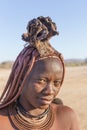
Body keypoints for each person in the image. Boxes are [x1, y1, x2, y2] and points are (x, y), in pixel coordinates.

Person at [0, 16, 80, 130]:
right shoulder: (2, 121)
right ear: (22, 77)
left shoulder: (66, 118)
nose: (50, 91)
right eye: (42, 80)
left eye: (56, 83)